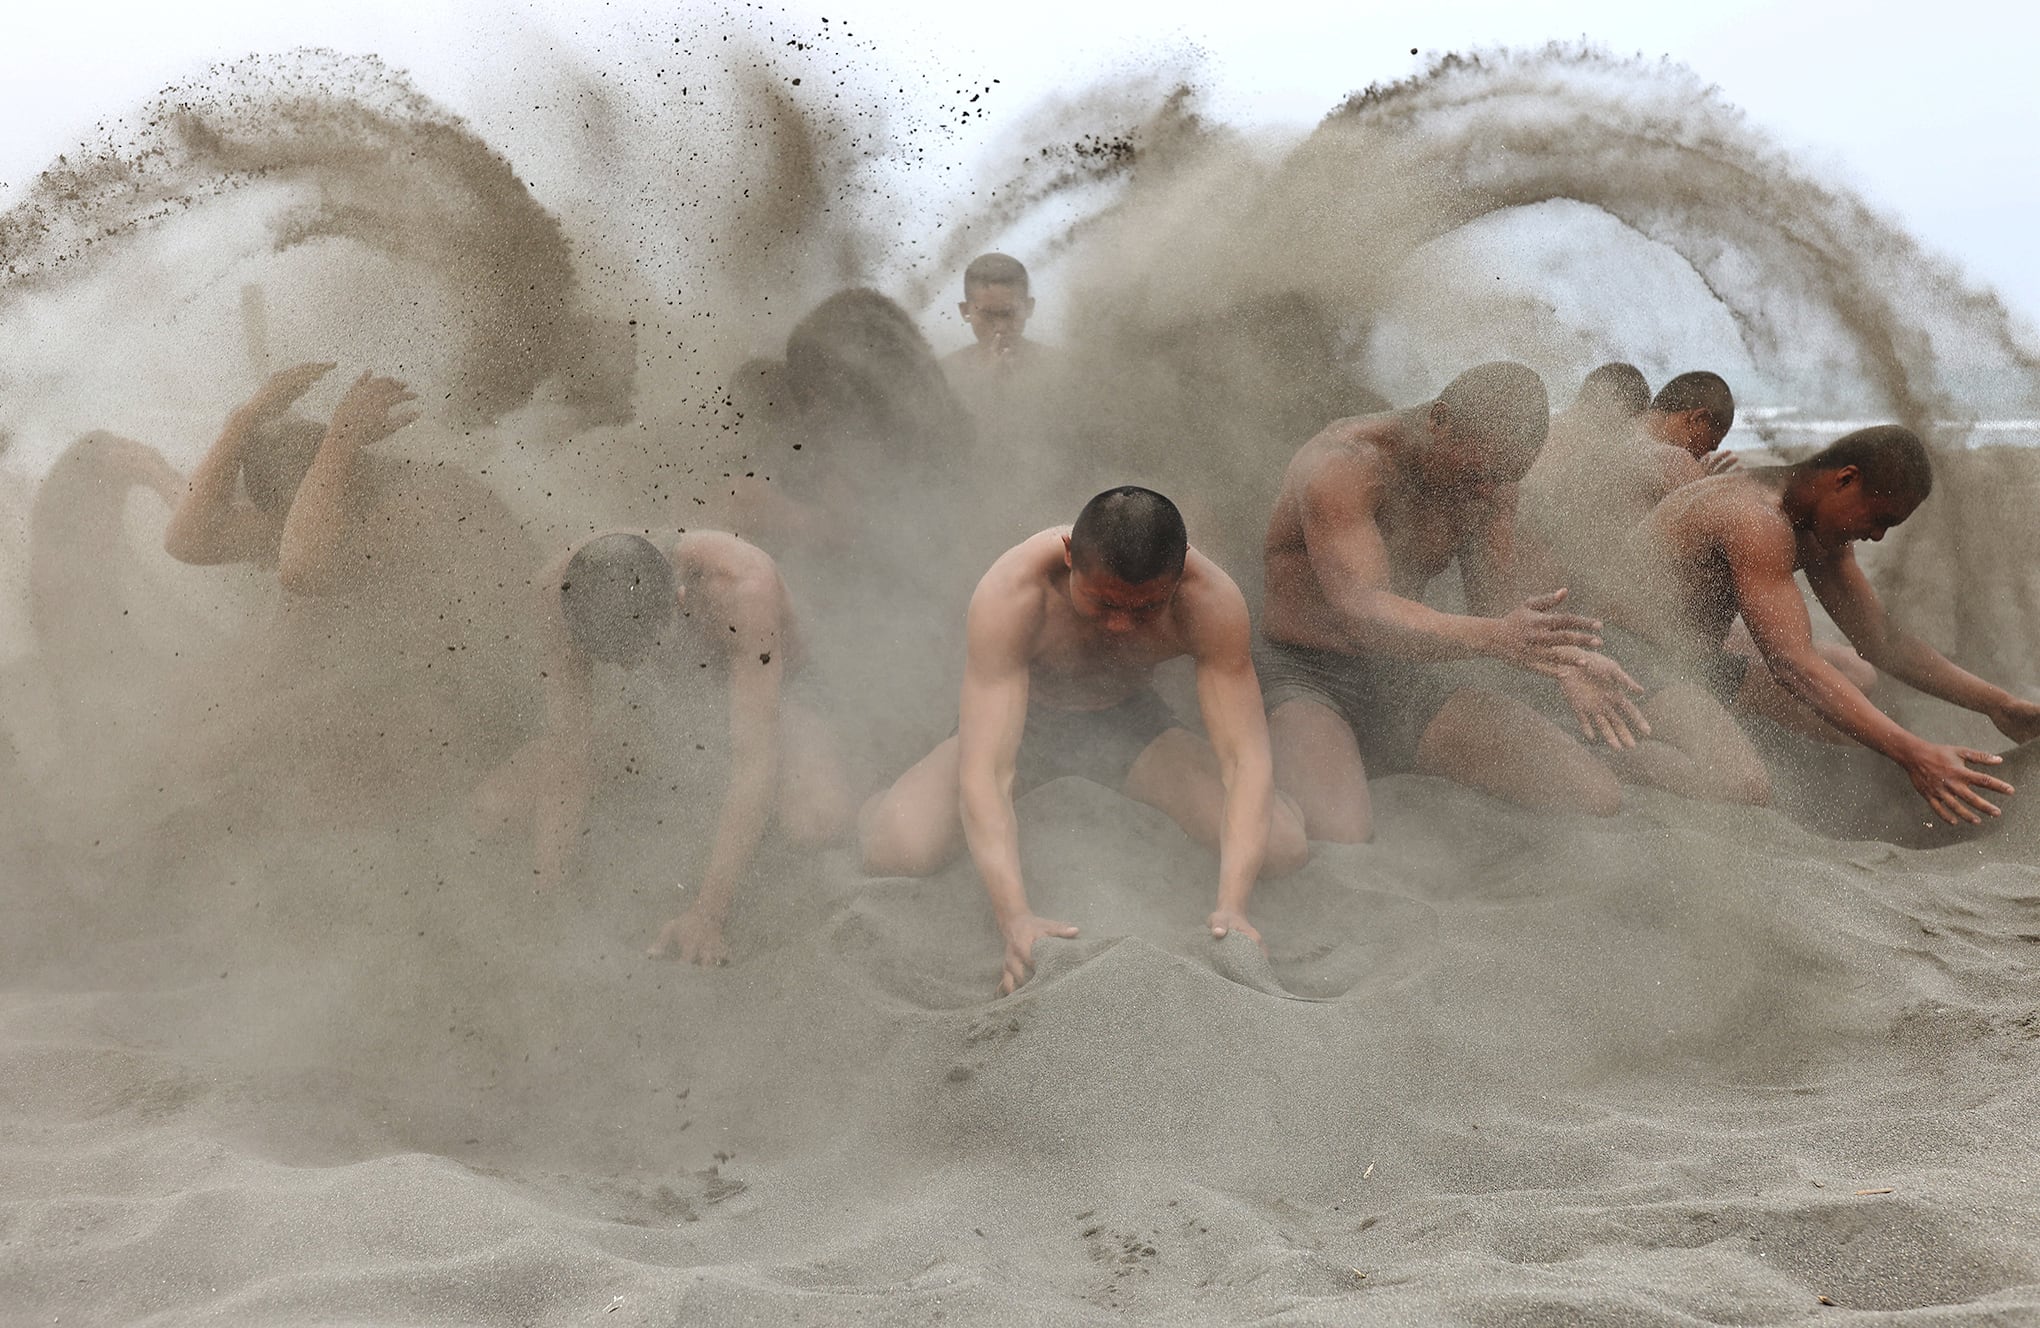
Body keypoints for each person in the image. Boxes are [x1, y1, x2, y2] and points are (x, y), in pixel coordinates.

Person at [859, 486, 1308, 994]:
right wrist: (1016, 920)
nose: (1121, 624)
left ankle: (1283, 803)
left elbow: (1243, 757)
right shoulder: (1014, 591)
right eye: (1104, 602)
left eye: (1145, 609)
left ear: (1179, 574)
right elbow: (988, 770)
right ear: (1070, 556)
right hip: (1021, 724)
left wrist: (1233, 906)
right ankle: (882, 800)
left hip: (1129, 725)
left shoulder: (1210, 602)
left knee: (1282, 848)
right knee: (896, 848)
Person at [1259, 362, 1652, 841]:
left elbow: (1497, 608)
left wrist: (1565, 661)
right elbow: (1362, 612)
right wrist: (1497, 638)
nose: (1489, 491)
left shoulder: (1492, 484)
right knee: (1340, 832)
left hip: (1399, 674)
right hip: (1305, 673)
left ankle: (1373, 760)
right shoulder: (1348, 462)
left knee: (1593, 794)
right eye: (1481, 474)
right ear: (1439, 421)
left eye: (1506, 478)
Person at [1609, 425, 2039, 826]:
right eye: (1880, 519)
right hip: (1626, 665)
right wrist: (1914, 753)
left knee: (1856, 675)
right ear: (1846, 479)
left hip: (1700, 664)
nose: (1876, 537)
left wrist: (1998, 705)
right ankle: (1600, 758)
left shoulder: (1816, 528)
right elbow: (1792, 666)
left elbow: (1882, 640)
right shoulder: (1754, 516)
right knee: (1743, 786)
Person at [164, 362, 539, 812]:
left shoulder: (424, 497)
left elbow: (303, 570)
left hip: (478, 711)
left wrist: (341, 437)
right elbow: (188, 540)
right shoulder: (309, 515)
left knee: (235, 744)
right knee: (206, 720)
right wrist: (245, 420)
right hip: (391, 690)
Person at [473, 530, 853, 964]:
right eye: (616, 660)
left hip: (777, 698)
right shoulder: (561, 593)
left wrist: (707, 915)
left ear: (679, 599)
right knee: (493, 809)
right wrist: (546, 892)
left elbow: (753, 762)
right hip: (660, 713)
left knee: (817, 822)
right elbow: (567, 749)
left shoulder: (744, 588)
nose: (628, 665)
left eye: (636, 652)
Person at [941, 252, 1056, 404]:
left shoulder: (1060, 368)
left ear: (1029, 307)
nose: (1000, 327)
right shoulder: (944, 375)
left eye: (1009, 314)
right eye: (987, 315)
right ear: (965, 311)